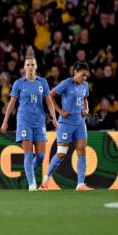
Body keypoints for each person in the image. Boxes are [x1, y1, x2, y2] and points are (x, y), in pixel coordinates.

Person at [0, 57, 58, 191]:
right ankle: (32, 184)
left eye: (33, 64)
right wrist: (5, 121)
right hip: (24, 121)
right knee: (28, 153)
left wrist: (54, 118)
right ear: (25, 67)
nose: (31, 67)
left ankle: (28, 171)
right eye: (28, 65)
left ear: (36, 67)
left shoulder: (42, 82)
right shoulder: (19, 83)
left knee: (41, 156)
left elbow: (49, 101)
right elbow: (12, 103)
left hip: (39, 122)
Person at [41, 62, 94, 191]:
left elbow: (85, 98)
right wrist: (60, 111)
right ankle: (46, 179)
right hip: (66, 123)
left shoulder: (85, 85)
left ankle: (80, 184)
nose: (84, 78)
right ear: (75, 72)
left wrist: (86, 108)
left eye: (86, 76)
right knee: (61, 153)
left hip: (80, 122)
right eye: (82, 75)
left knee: (82, 150)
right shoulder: (66, 83)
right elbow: (50, 96)